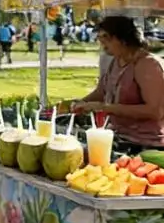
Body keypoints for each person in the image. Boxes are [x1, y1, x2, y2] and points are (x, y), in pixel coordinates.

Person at [70, 15, 164, 152]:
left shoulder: (148, 65)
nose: (102, 44)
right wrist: (80, 104)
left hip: (146, 144)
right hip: (119, 137)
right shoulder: (116, 61)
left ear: (123, 39)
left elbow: (155, 111)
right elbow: (102, 91)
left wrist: (105, 107)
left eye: (106, 38)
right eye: (100, 39)